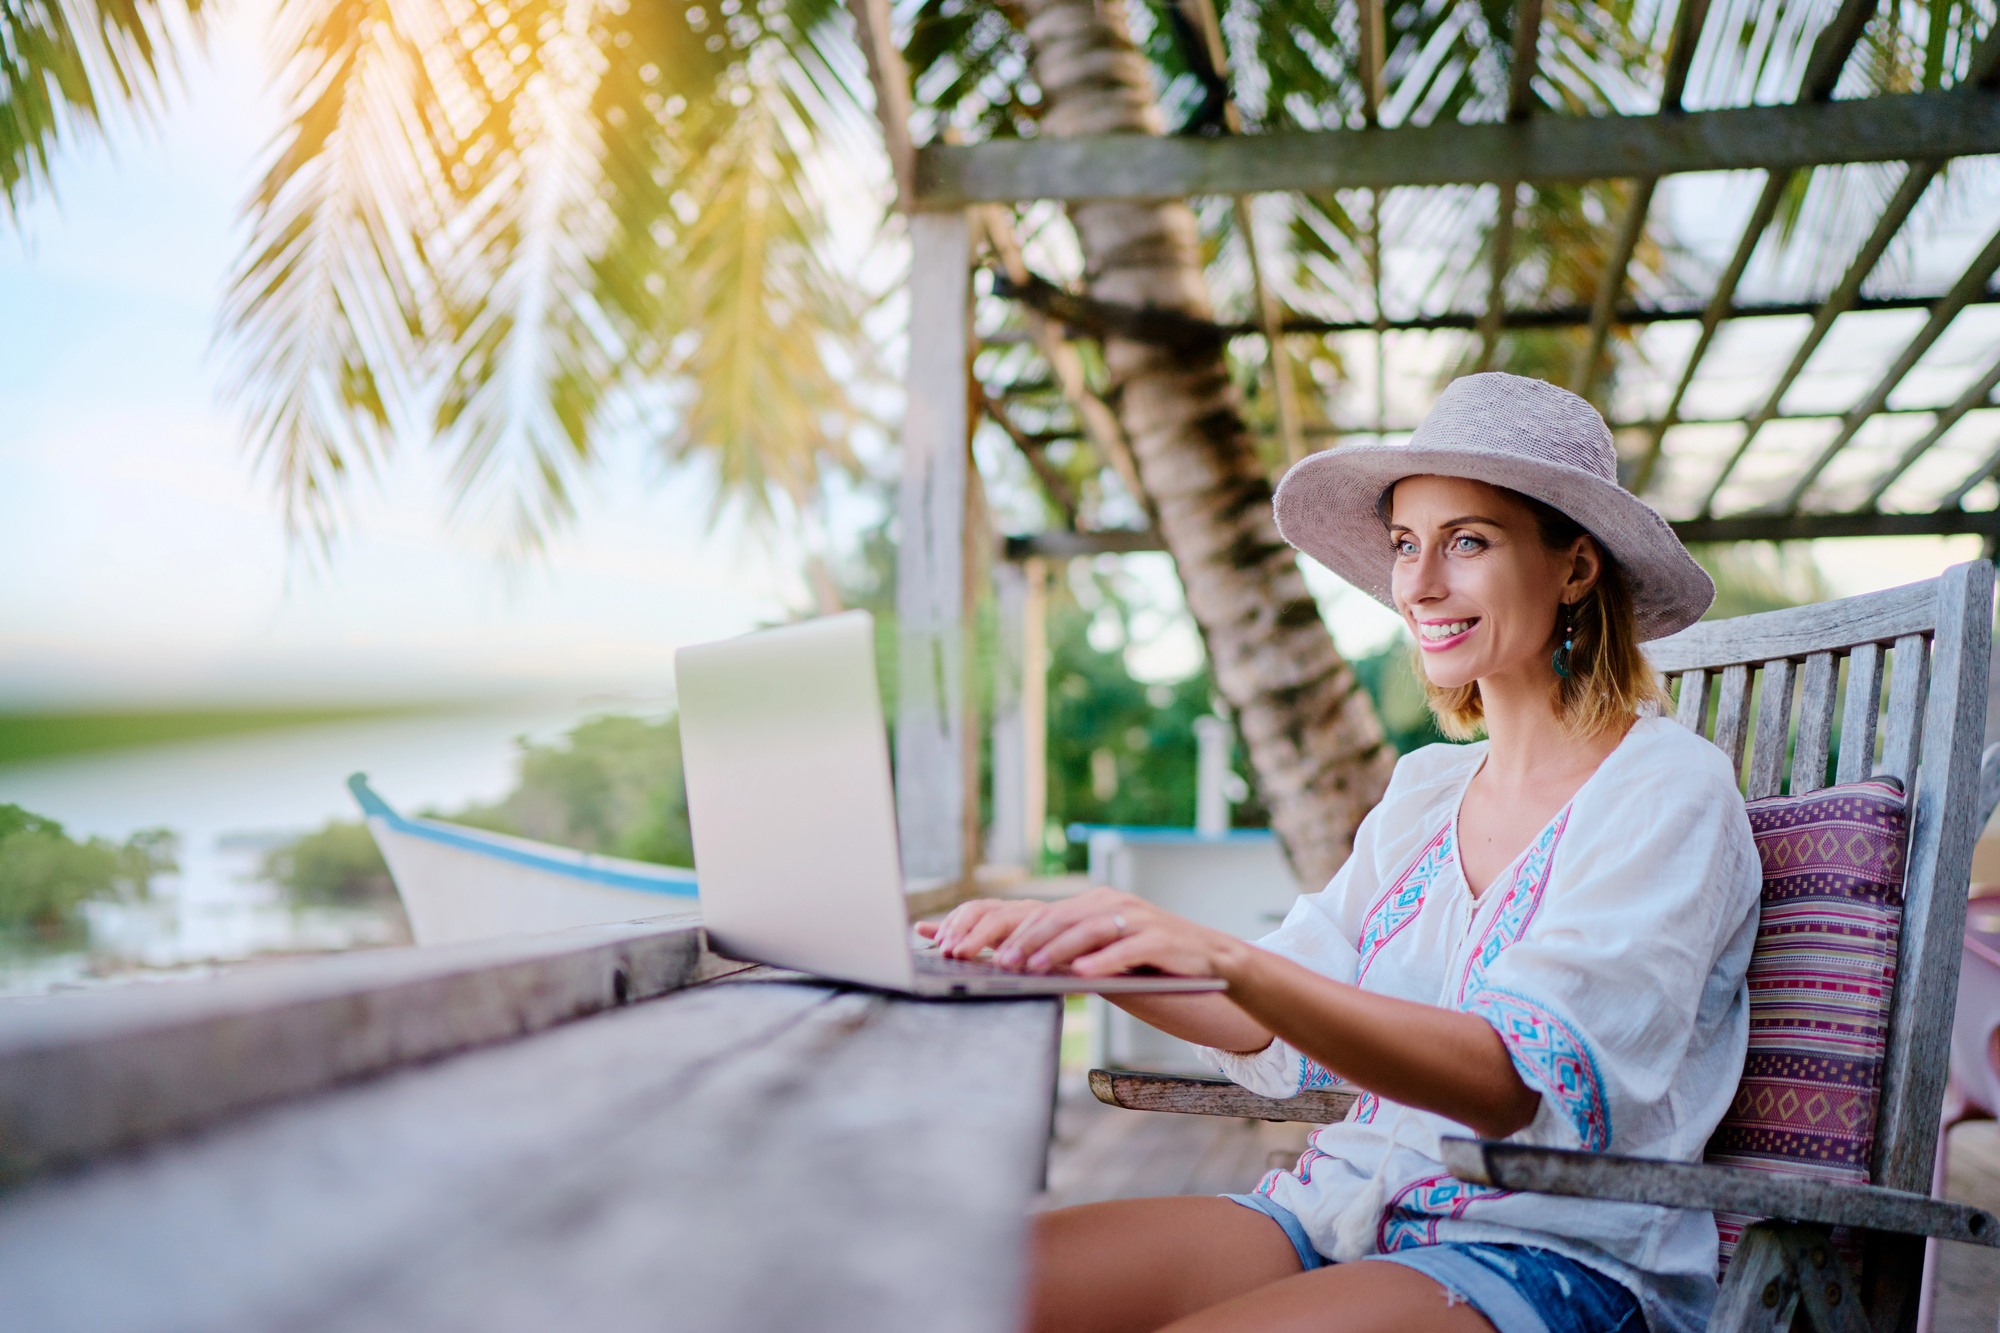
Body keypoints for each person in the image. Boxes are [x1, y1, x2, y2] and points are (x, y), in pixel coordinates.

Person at [918, 373, 1760, 1333]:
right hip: (1338, 1209)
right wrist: (1071, 946)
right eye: (1406, 543)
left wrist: (1227, 958)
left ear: (1574, 568)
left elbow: (1508, 1079)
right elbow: (1264, 1014)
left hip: (1549, 1253)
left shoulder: (1665, 789)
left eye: (1467, 541)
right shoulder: (1426, 793)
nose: (1419, 582)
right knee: (950, 1290)